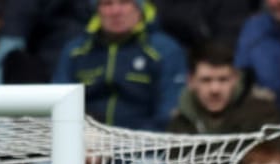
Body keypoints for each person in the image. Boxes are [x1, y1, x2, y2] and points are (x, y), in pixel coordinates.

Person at [52, 0, 187, 131]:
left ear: (140, 8)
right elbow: (59, 102)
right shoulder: (76, 50)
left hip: (146, 141)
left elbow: (169, 109)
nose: (115, 11)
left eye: (124, 2)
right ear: (97, 10)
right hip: (85, 139)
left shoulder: (164, 50)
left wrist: (138, 141)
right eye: (107, 4)